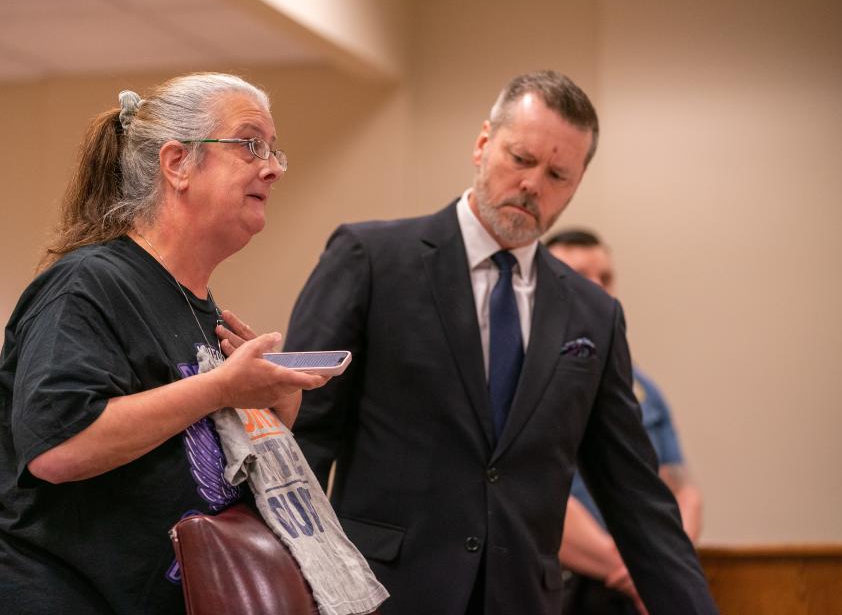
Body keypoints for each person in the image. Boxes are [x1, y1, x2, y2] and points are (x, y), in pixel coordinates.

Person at [284, 71, 717, 614]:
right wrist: (287, 583)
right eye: (521, 159)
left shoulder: (593, 313)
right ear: (483, 144)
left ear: (577, 184)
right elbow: (302, 437)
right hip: (385, 594)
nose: (534, 184)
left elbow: (635, 494)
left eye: (558, 173)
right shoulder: (371, 259)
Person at [0, 73, 330, 614]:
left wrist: (271, 413)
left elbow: (189, 465)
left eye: (273, 150)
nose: (270, 166)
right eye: (250, 144)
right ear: (177, 163)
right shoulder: (88, 282)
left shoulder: (194, 304)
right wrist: (222, 387)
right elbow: (58, 447)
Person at [546, 228, 703, 614]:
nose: (598, 288)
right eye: (582, 276)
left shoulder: (640, 387)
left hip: (638, 591)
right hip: (560, 585)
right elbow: (531, 500)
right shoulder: (519, 382)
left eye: (606, 277)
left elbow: (681, 491)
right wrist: (638, 569)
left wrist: (664, 570)